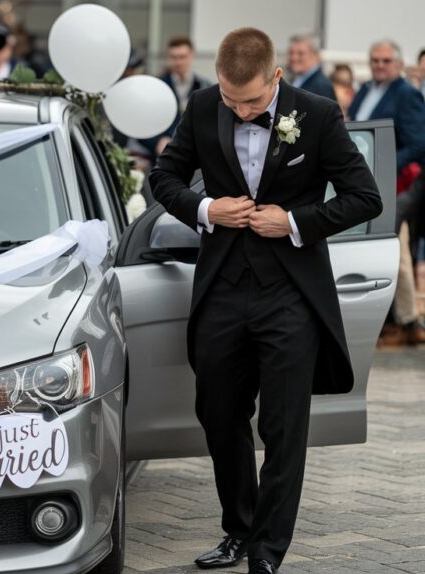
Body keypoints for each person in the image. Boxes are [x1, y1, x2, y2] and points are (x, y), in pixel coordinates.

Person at [149, 27, 381, 574]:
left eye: (250, 100)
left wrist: (295, 221)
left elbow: (363, 197)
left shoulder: (318, 114)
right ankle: (238, 528)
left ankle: (266, 551)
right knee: (219, 414)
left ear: (276, 77)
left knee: (283, 424)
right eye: (231, 99)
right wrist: (206, 210)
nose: (238, 108)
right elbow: (162, 177)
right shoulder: (204, 105)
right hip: (222, 287)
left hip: (290, 294)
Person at [348, 39, 425, 344]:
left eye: (385, 61)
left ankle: (403, 319)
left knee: (389, 247)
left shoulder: (406, 94)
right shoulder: (366, 90)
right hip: (362, 180)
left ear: (397, 63)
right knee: (394, 249)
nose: (379, 65)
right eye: (374, 60)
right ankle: (404, 319)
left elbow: (418, 143)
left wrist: (383, 164)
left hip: (392, 183)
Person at [156, 36, 213, 153]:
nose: (178, 62)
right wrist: (157, 141)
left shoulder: (206, 86)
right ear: (168, 57)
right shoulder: (157, 87)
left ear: (192, 55)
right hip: (164, 154)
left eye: (182, 57)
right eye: (173, 57)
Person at [287, 33, 336, 100]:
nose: (294, 58)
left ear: (316, 55)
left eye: (300, 53)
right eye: (291, 52)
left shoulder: (322, 86)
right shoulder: (294, 80)